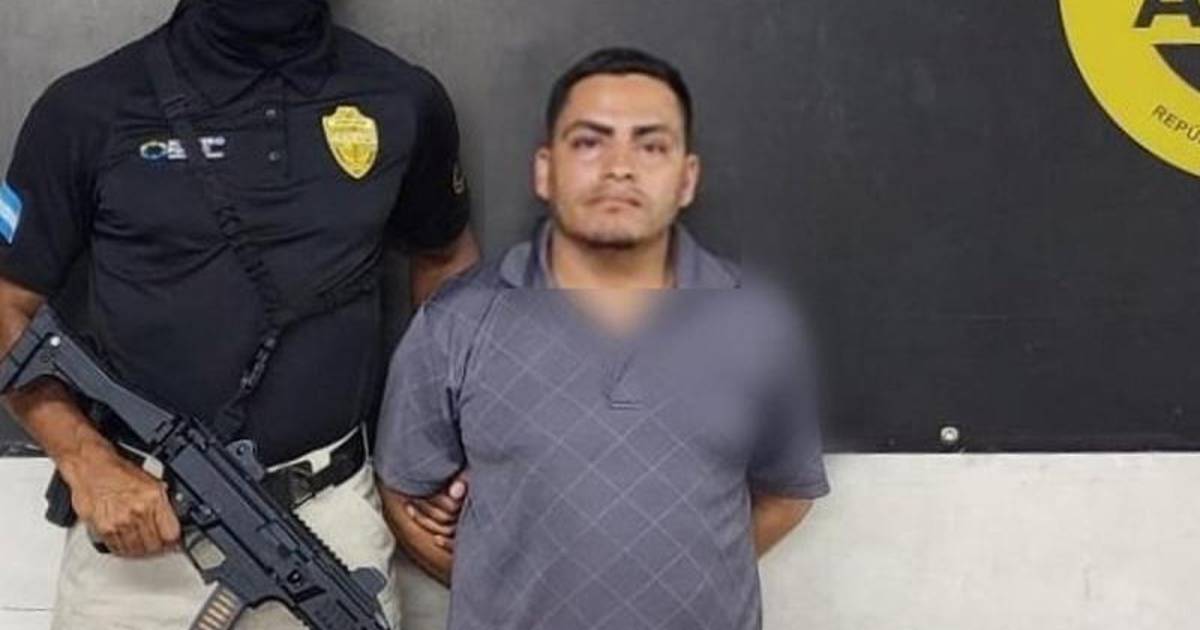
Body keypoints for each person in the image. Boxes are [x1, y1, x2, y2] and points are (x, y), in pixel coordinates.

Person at [0, 0, 477, 627]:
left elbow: (447, 263)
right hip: (134, 537)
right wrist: (85, 459)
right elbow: (6, 302)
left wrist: (432, 451)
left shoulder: (402, 98)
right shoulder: (86, 108)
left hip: (330, 528)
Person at [375, 47, 829, 630]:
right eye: (590, 142)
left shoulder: (758, 324)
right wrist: (505, 589)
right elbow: (404, 498)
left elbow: (787, 494)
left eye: (651, 146)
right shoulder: (458, 319)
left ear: (687, 178)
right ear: (545, 170)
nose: (620, 167)